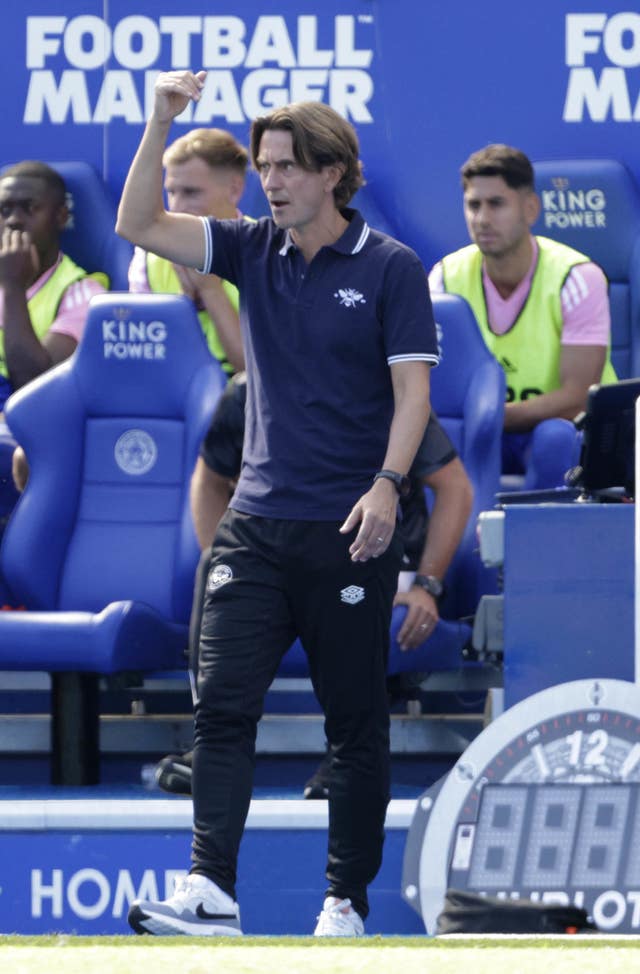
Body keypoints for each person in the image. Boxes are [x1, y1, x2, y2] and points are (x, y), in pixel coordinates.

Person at [116, 70, 438, 938]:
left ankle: (345, 901)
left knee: (353, 725)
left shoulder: (391, 269)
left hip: (349, 531)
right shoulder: (249, 247)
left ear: (334, 172)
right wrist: (158, 119)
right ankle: (212, 890)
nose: (273, 180)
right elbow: (138, 223)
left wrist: (385, 486)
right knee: (221, 707)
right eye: (263, 166)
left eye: (289, 166)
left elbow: (413, 398)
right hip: (254, 529)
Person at [153, 371, 473, 799]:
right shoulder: (248, 391)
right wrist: (231, 564)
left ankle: (344, 757)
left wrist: (427, 586)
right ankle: (212, 749)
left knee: (351, 575)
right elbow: (209, 480)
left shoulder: (380, 390)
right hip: (280, 555)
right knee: (216, 566)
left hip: (378, 554)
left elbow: (454, 487)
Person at [428, 143, 616, 480]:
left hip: (557, 433)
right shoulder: (444, 279)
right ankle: (462, 533)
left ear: (530, 209)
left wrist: (489, 414)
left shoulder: (576, 277)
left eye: (496, 204)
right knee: (440, 437)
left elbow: (577, 398)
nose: (482, 219)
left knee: (555, 438)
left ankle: (545, 533)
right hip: (484, 433)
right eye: (473, 205)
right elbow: (436, 388)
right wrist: (482, 421)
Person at [0, 161, 108, 504]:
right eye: (4, 210)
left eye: (29, 208)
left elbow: (32, 382)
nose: (14, 220)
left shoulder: (82, 291)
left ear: (60, 217)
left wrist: (13, 286)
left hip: (23, 421)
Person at [128, 127, 248, 375]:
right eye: (171, 192)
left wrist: (210, 291)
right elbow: (145, 365)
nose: (177, 207)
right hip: (172, 393)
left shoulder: (270, 248)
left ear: (234, 190)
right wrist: (185, 306)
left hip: (243, 397)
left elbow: (257, 374)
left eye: (191, 193)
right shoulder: (147, 256)